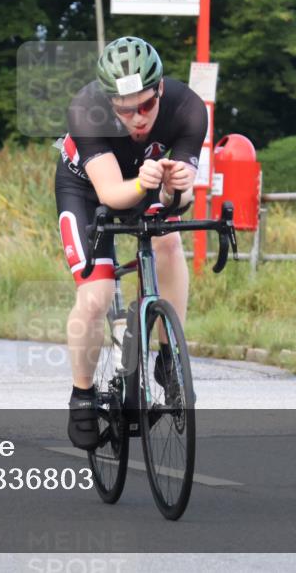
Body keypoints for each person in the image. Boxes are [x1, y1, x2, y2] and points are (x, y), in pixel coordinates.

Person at [54, 36, 206, 450]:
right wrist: (144, 181)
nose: (137, 119)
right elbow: (111, 194)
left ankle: (167, 357)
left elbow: (180, 200)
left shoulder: (188, 108)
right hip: (88, 191)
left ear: (159, 90)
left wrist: (176, 187)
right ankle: (82, 394)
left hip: (149, 183)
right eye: (124, 111)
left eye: (145, 106)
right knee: (97, 293)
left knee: (169, 243)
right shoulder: (87, 109)